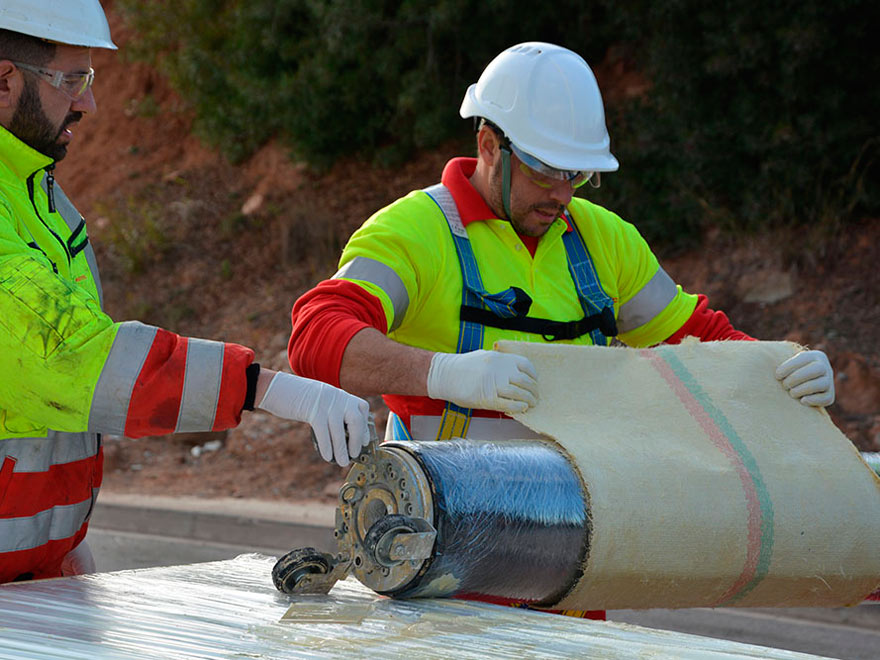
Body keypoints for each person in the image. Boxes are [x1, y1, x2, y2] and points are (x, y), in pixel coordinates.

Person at [288, 42, 835, 618]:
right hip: (440, 569)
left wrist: (778, 367)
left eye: (577, 174)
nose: (562, 193)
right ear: (488, 146)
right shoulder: (416, 233)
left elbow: (698, 337)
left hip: (575, 558)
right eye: (545, 170)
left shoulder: (605, 240)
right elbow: (317, 333)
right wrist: (442, 372)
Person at [0, 1, 371, 585]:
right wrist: (261, 387)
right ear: (4, 80)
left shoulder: (38, 198)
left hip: (33, 579)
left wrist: (55, 549)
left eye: (89, 80)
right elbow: (77, 359)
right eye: (71, 80)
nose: (88, 102)